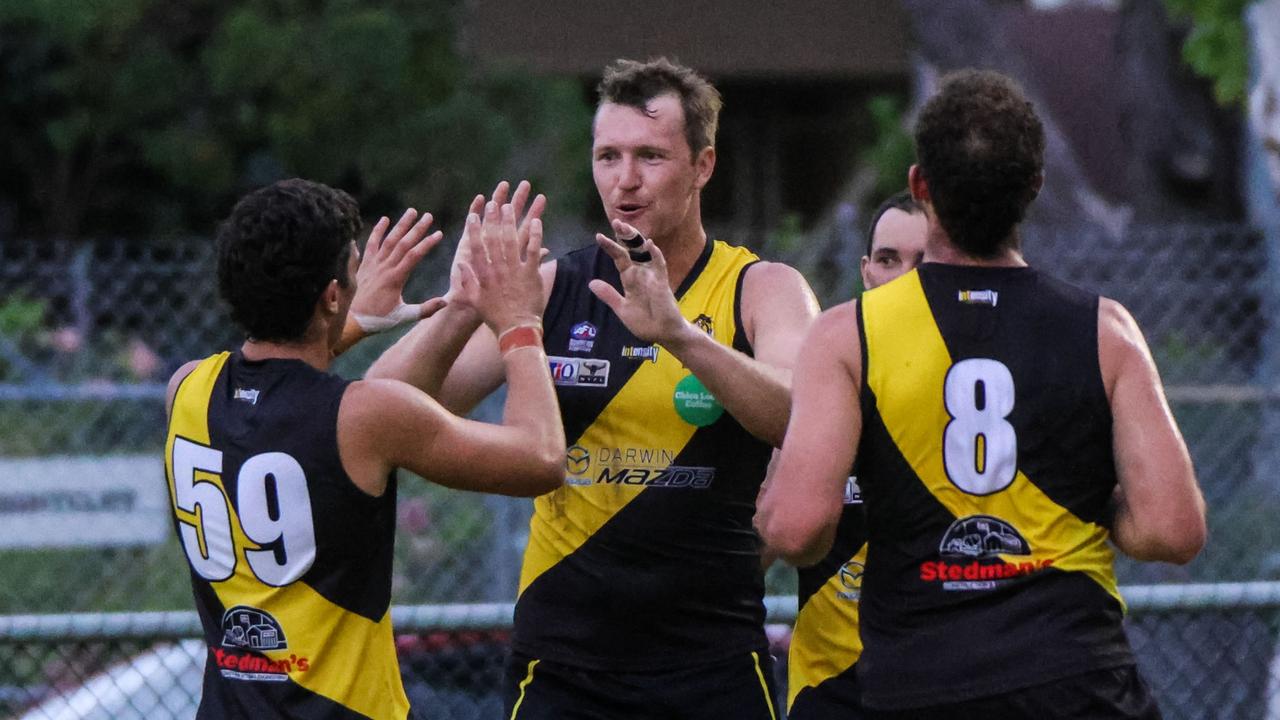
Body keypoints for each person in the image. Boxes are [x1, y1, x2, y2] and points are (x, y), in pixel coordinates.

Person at [370, 57, 820, 719]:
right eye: (607, 156)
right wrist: (468, 304)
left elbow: (799, 417)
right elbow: (384, 409)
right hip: (564, 663)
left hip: (710, 660)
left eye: (650, 156)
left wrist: (679, 335)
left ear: (703, 165)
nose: (626, 180)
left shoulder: (763, 289)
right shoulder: (554, 286)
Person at [757, 70, 1206, 719]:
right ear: (1034, 188)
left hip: (920, 682)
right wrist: (1090, 505)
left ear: (920, 187)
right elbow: (1174, 529)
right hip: (1075, 680)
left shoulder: (849, 335)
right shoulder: (1105, 330)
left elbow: (798, 530)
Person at [163, 178, 565, 719]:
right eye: (354, 269)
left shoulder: (187, 389)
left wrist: (355, 322)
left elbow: (278, 383)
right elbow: (541, 459)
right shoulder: (367, 416)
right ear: (331, 294)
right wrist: (519, 323)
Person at [786, 190, 926, 719]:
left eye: (923, 262)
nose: (904, 277)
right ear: (866, 271)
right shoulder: (819, 383)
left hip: (947, 684)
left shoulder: (991, 400)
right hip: (832, 695)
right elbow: (768, 538)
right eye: (888, 259)